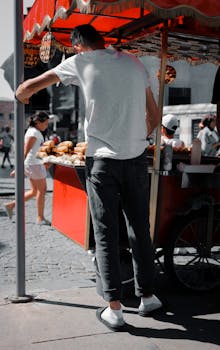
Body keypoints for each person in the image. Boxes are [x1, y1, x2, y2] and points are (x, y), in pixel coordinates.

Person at [15, 24, 162, 331]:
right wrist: (138, 138)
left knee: (105, 234)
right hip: (136, 159)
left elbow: (34, 85)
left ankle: (114, 309)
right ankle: (148, 297)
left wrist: (21, 93)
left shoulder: (80, 60)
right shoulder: (135, 63)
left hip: (103, 162)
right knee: (139, 228)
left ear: (79, 45)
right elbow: (154, 114)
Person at [4, 111, 50, 225]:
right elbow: (25, 151)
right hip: (34, 165)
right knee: (41, 190)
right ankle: (40, 218)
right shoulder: (34, 133)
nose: (46, 126)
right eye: (45, 123)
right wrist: (18, 168)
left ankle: (10, 205)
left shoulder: (33, 131)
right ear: (38, 122)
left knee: (35, 191)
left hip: (33, 164)